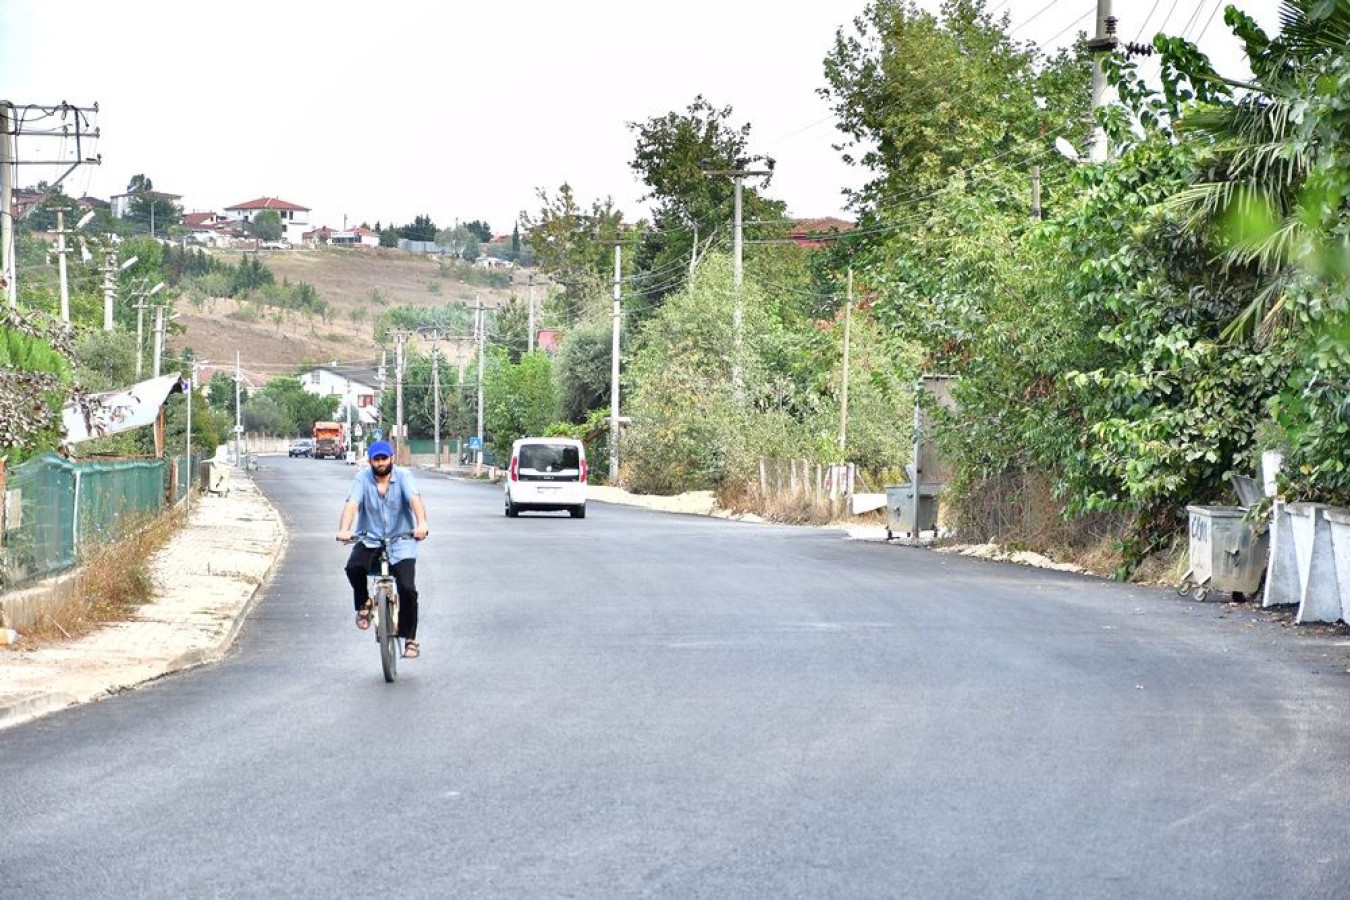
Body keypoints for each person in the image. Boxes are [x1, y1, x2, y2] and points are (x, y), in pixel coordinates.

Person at [336, 440, 430, 658]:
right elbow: (352, 503)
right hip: (370, 538)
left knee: (407, 588)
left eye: (383, 459)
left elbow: (415, 500)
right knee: (353, 568)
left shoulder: (404, 476)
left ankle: (410, 639)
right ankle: (365, 602)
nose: (380, 463)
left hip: (402, 540)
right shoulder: (362, 478)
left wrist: (422, 524)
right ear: (370, 461)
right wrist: (344, 529)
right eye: (376, 460)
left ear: (391, 459)